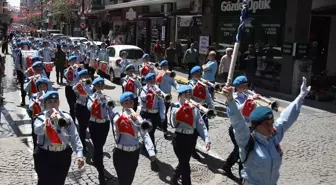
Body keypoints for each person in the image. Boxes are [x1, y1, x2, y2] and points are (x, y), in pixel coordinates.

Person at [222, 77, 311, 185]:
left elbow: (285, 119)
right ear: (257, 126)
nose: (271, 127)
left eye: (272, 122)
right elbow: (238, 121)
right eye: (266, 124)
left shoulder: (274, 135)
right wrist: (230, 100)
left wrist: (300, 97)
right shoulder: (247, 140)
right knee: (238, 150)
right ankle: (230, 167)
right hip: (244, 126)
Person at [33, 91, 84, 185]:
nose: (53, 104)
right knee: (44, 182)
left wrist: (79, 154)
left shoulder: (66, 117)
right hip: (45, 155)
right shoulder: (40, 118)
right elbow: (37, 130)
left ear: (59, 103)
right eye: (49, 102)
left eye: (55, 101)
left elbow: (74, 136)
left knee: (60, 181)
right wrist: (49, 121)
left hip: (62, 155)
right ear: (45, 104)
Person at [112, 92, 159, 184]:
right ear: (122, 104)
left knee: (129, 179)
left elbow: (145, 135)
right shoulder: (117, 116)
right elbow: (117, 129)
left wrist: (151, 153)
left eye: (131, 102)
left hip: (134, 153)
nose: (129, 105)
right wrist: (127, 118)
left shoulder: (137, 117)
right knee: (123, 180)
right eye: (126, 103)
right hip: (121, 152)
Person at [170, 85, 211, 185]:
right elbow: (174, 122)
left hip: (190, 139)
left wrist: (206, 139)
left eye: (189, 93)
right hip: (179, 138)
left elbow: (200, 124)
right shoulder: (175, 106)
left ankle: (174, 178)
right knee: (186, 166)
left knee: (184, 162)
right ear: (180, 95)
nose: (188, 95)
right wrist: (185, 107)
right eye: (186, 93)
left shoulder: (194, 108)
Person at [222, 76, 260, 178]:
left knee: (242, 150)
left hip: (250, 127)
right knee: (241, 151)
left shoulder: (248, 95)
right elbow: (235, 110)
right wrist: (249, 100)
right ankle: (242, 176)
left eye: (246, 85)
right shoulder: (233, 97)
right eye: (242, 86)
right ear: (236, 87)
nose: (245, 88)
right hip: (237, 128)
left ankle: (228, 165)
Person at [87, 77, 115, 185]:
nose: (99, 87)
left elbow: (111, 111)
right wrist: (98, 99)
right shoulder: (90, 97)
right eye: (97, 86)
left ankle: (95, 158)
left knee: (100, 145)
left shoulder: (107, 97)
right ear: (94, 86)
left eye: (101, 85)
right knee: (98, 146)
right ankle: (100, 169)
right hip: (94, 124)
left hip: (104, 123)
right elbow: (90, 108)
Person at [188, 66, 214, 160]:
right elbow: (188, 97)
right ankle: (192, 149)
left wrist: (211, 107)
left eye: (200, 74)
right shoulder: (190, 84)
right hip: (194, 108)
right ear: (193, 75)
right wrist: (197, 85)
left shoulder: (203, 84)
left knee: (204, 127)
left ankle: (197, 142)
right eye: (197, 74)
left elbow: (208, 96)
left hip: (204, 108)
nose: (199, 75)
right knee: (195, 130)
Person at [140, 73, 165, 154]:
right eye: (150, 80)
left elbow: (161, 104)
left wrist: (162, 115)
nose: (152, 81)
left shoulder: (158, 89)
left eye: (153, 79)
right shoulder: (144, 89)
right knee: (146, 130)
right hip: (146, 113)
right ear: (147, 81)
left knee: (151, 131)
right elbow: (143, 98)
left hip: (155, 114)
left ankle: (147, 145)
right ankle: (150, 147)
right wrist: (151, 93)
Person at [156, 60, 179, 138]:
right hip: (161, 96)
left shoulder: (170, 75)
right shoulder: (159, 74)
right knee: (163, 112)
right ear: (161, 67)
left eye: (167, 66)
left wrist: (179, 88)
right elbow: (156, 85)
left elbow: (174, 83)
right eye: (164, 66)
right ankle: (165, 130)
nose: (166, 67)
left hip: (168, 96)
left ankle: (161, 124)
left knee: (164, 112)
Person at [73, 69, 93, 155]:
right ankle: (82, 146)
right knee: (82, 128)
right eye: (83, 77)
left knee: (89, 125)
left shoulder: (90, 86)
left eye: (86, 76)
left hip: (89, 108)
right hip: (80, 107)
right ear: (80, 78)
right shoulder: (78, 86)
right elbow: (74, 89)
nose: (86, 78)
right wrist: (80, 83)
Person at [28, 77, 51, 149]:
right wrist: (38, 101)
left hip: (47, 118)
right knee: (36, 136)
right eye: (41, 86)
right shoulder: (34, 96)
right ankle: (36, 151)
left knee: (48, 136)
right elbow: (30, 107)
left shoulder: (50, 95)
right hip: (37, 119)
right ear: (38, 87)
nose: (43, 88)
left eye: (44, 86)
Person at [64, 56, 84, 122]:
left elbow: (84, 77)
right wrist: (71, 69)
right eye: (72, 61)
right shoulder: (67, 69)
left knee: (78, 105)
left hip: (77, 88)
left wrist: (82, 68)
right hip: (69, 88)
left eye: (75, 61)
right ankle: (73, 121)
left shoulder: (79, 70)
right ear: (69, 63)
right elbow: (66, 76)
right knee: (71, 106)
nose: (74, 62)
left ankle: (79, 119)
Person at [13, 41, 30, 106]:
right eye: (24, 46)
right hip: (22, 72)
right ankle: (23, 100)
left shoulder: (31, 53)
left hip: (30, 72)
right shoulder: (19, 54)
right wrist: (15, 70)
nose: (25, 47)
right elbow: (16, 62)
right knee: (23, 87)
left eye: (26, 46)